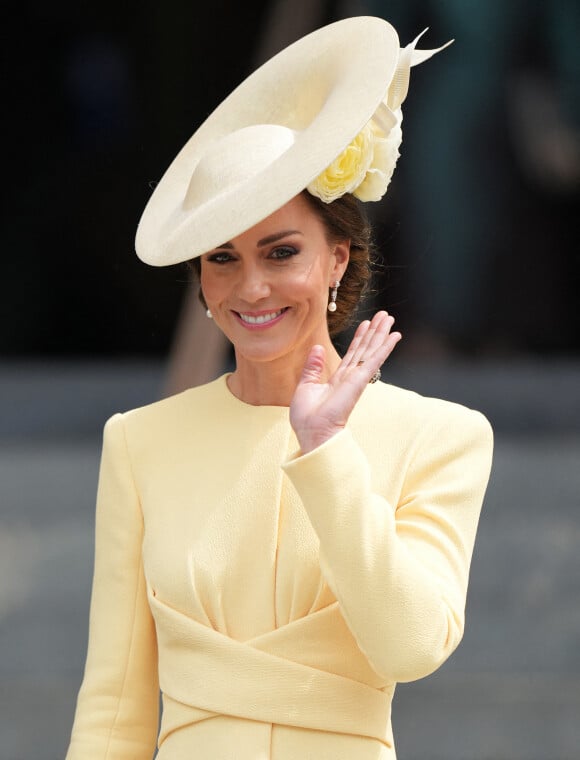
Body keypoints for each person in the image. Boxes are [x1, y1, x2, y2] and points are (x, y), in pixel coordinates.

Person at [66, 17, 493, 760]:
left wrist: (325, 451)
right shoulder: (138, 442)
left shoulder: (443, 436)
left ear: (338, 259)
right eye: (222, 258)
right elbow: (113, 705)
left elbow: (413, 646)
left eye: (282, 251)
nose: (251, 286)